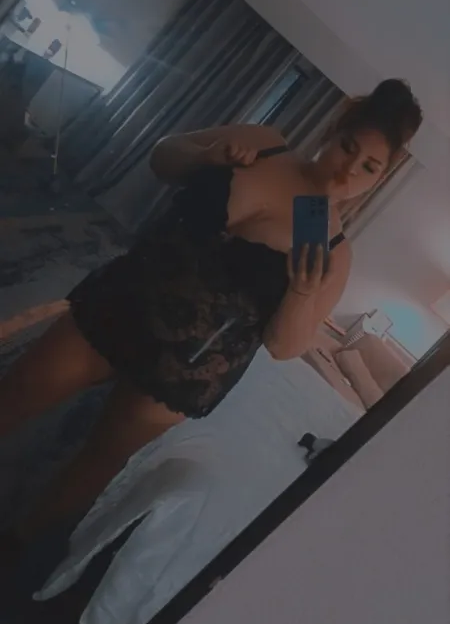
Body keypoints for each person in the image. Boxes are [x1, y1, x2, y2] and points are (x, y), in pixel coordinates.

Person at [0, 78, 422, 540]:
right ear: (332, 131)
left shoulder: (332, 248)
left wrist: (302, 293)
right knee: (15, 395)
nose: (348, 171)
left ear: (379, 179)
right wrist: (206, 156)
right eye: (347, 148)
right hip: (121, 302)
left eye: (368, 167)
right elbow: (162, 156)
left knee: (93, 468)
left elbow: (283, 346)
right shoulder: (264, 144)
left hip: (185, 369)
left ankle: (13, 549)